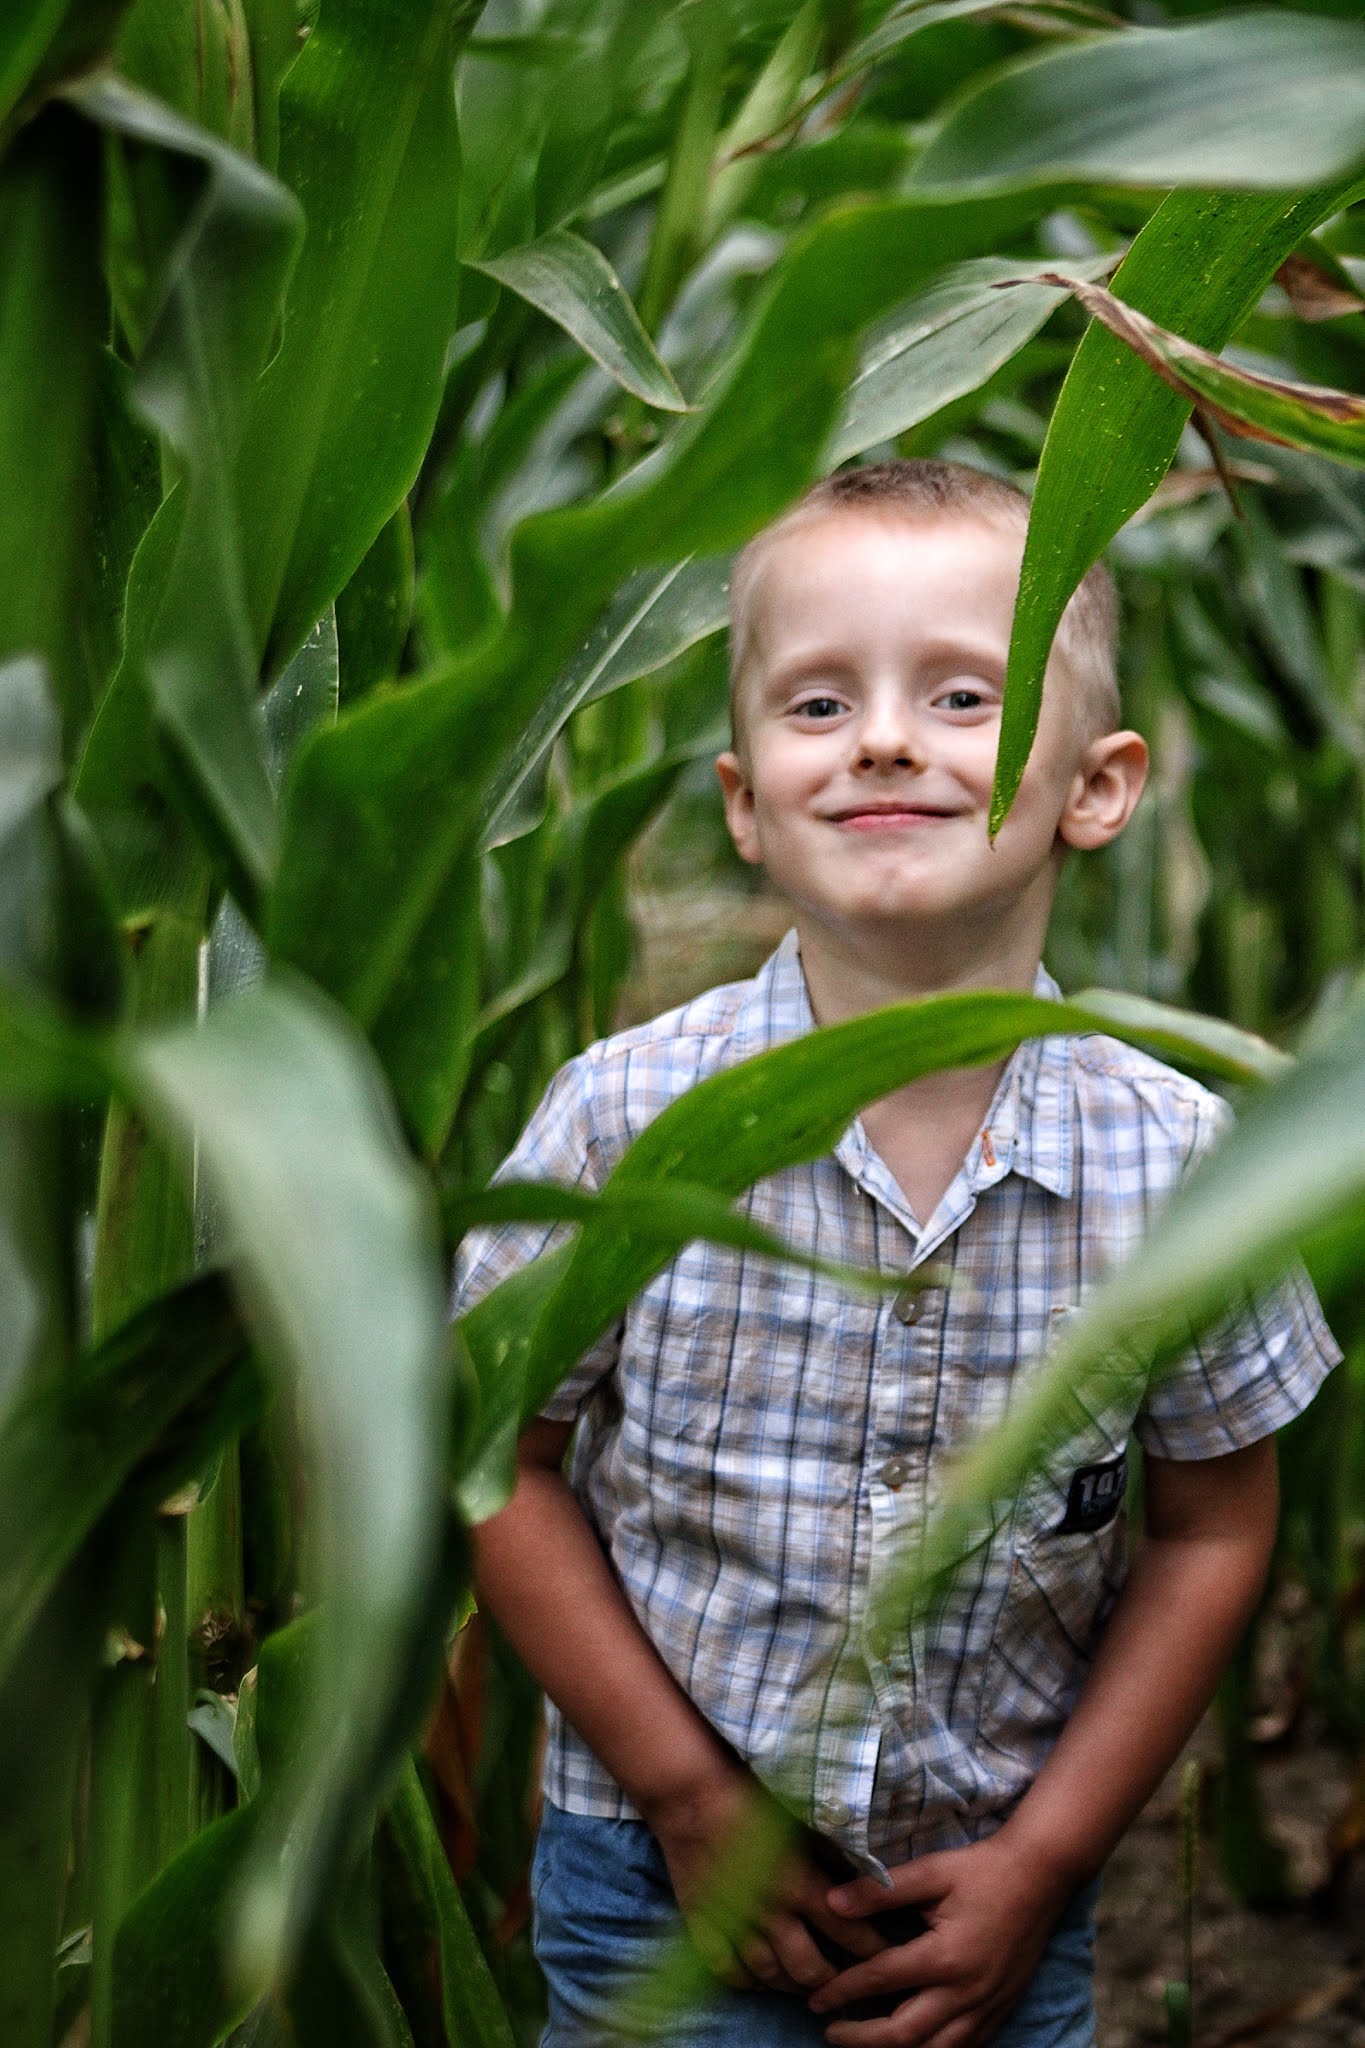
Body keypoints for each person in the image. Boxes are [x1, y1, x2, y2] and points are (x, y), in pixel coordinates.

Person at [455, 459, 1339, 2048]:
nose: (880, 738)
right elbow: (492, 1463)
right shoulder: (622, 1120)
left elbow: (1210, 1529)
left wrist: (1049, 1861)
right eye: (814, 704)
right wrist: (679, 1793)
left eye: (958, 696)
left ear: (1097, 784)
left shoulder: (1179, 1161)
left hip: (994, 1894)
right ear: (740, 802)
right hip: (659, 1883)